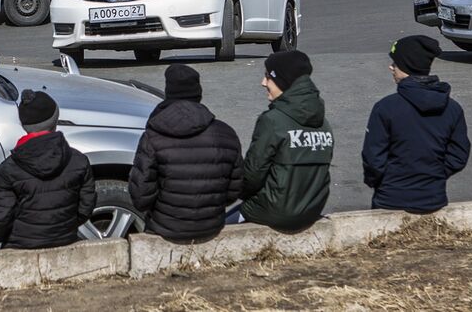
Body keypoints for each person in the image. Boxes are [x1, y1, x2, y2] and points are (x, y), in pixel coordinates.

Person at [128, 64, 243, 242]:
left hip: (165, 229)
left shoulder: (153, 136)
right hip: (211, 228)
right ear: (198, 93)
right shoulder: (226, 133)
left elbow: (141, 196)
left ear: (169, 92)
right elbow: (233, 191)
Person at [362, 35, 470, 213]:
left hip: (390, 199)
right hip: (433, 198)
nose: (391, 67)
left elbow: (373, 157)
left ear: (407, 66)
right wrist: (435, 175)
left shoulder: (386, 108)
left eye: (395, 63)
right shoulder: (452, 108)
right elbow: (459, 154)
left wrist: (382, 182)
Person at [236, 50, 333, 231]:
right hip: (312, 209)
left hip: (275, 210)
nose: (263, 82)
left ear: (282, 80)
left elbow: (253, 174)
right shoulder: (323, 122)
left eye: (267, 77)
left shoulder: (272, 121)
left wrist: (237, 193)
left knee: (221, 226)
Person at [0, 90, 96, 249]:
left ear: (25, 126)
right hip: (65, 240)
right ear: (55, 121)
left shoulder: (7, 170)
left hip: (19, 248)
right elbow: (85, 208)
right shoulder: (79, 161)